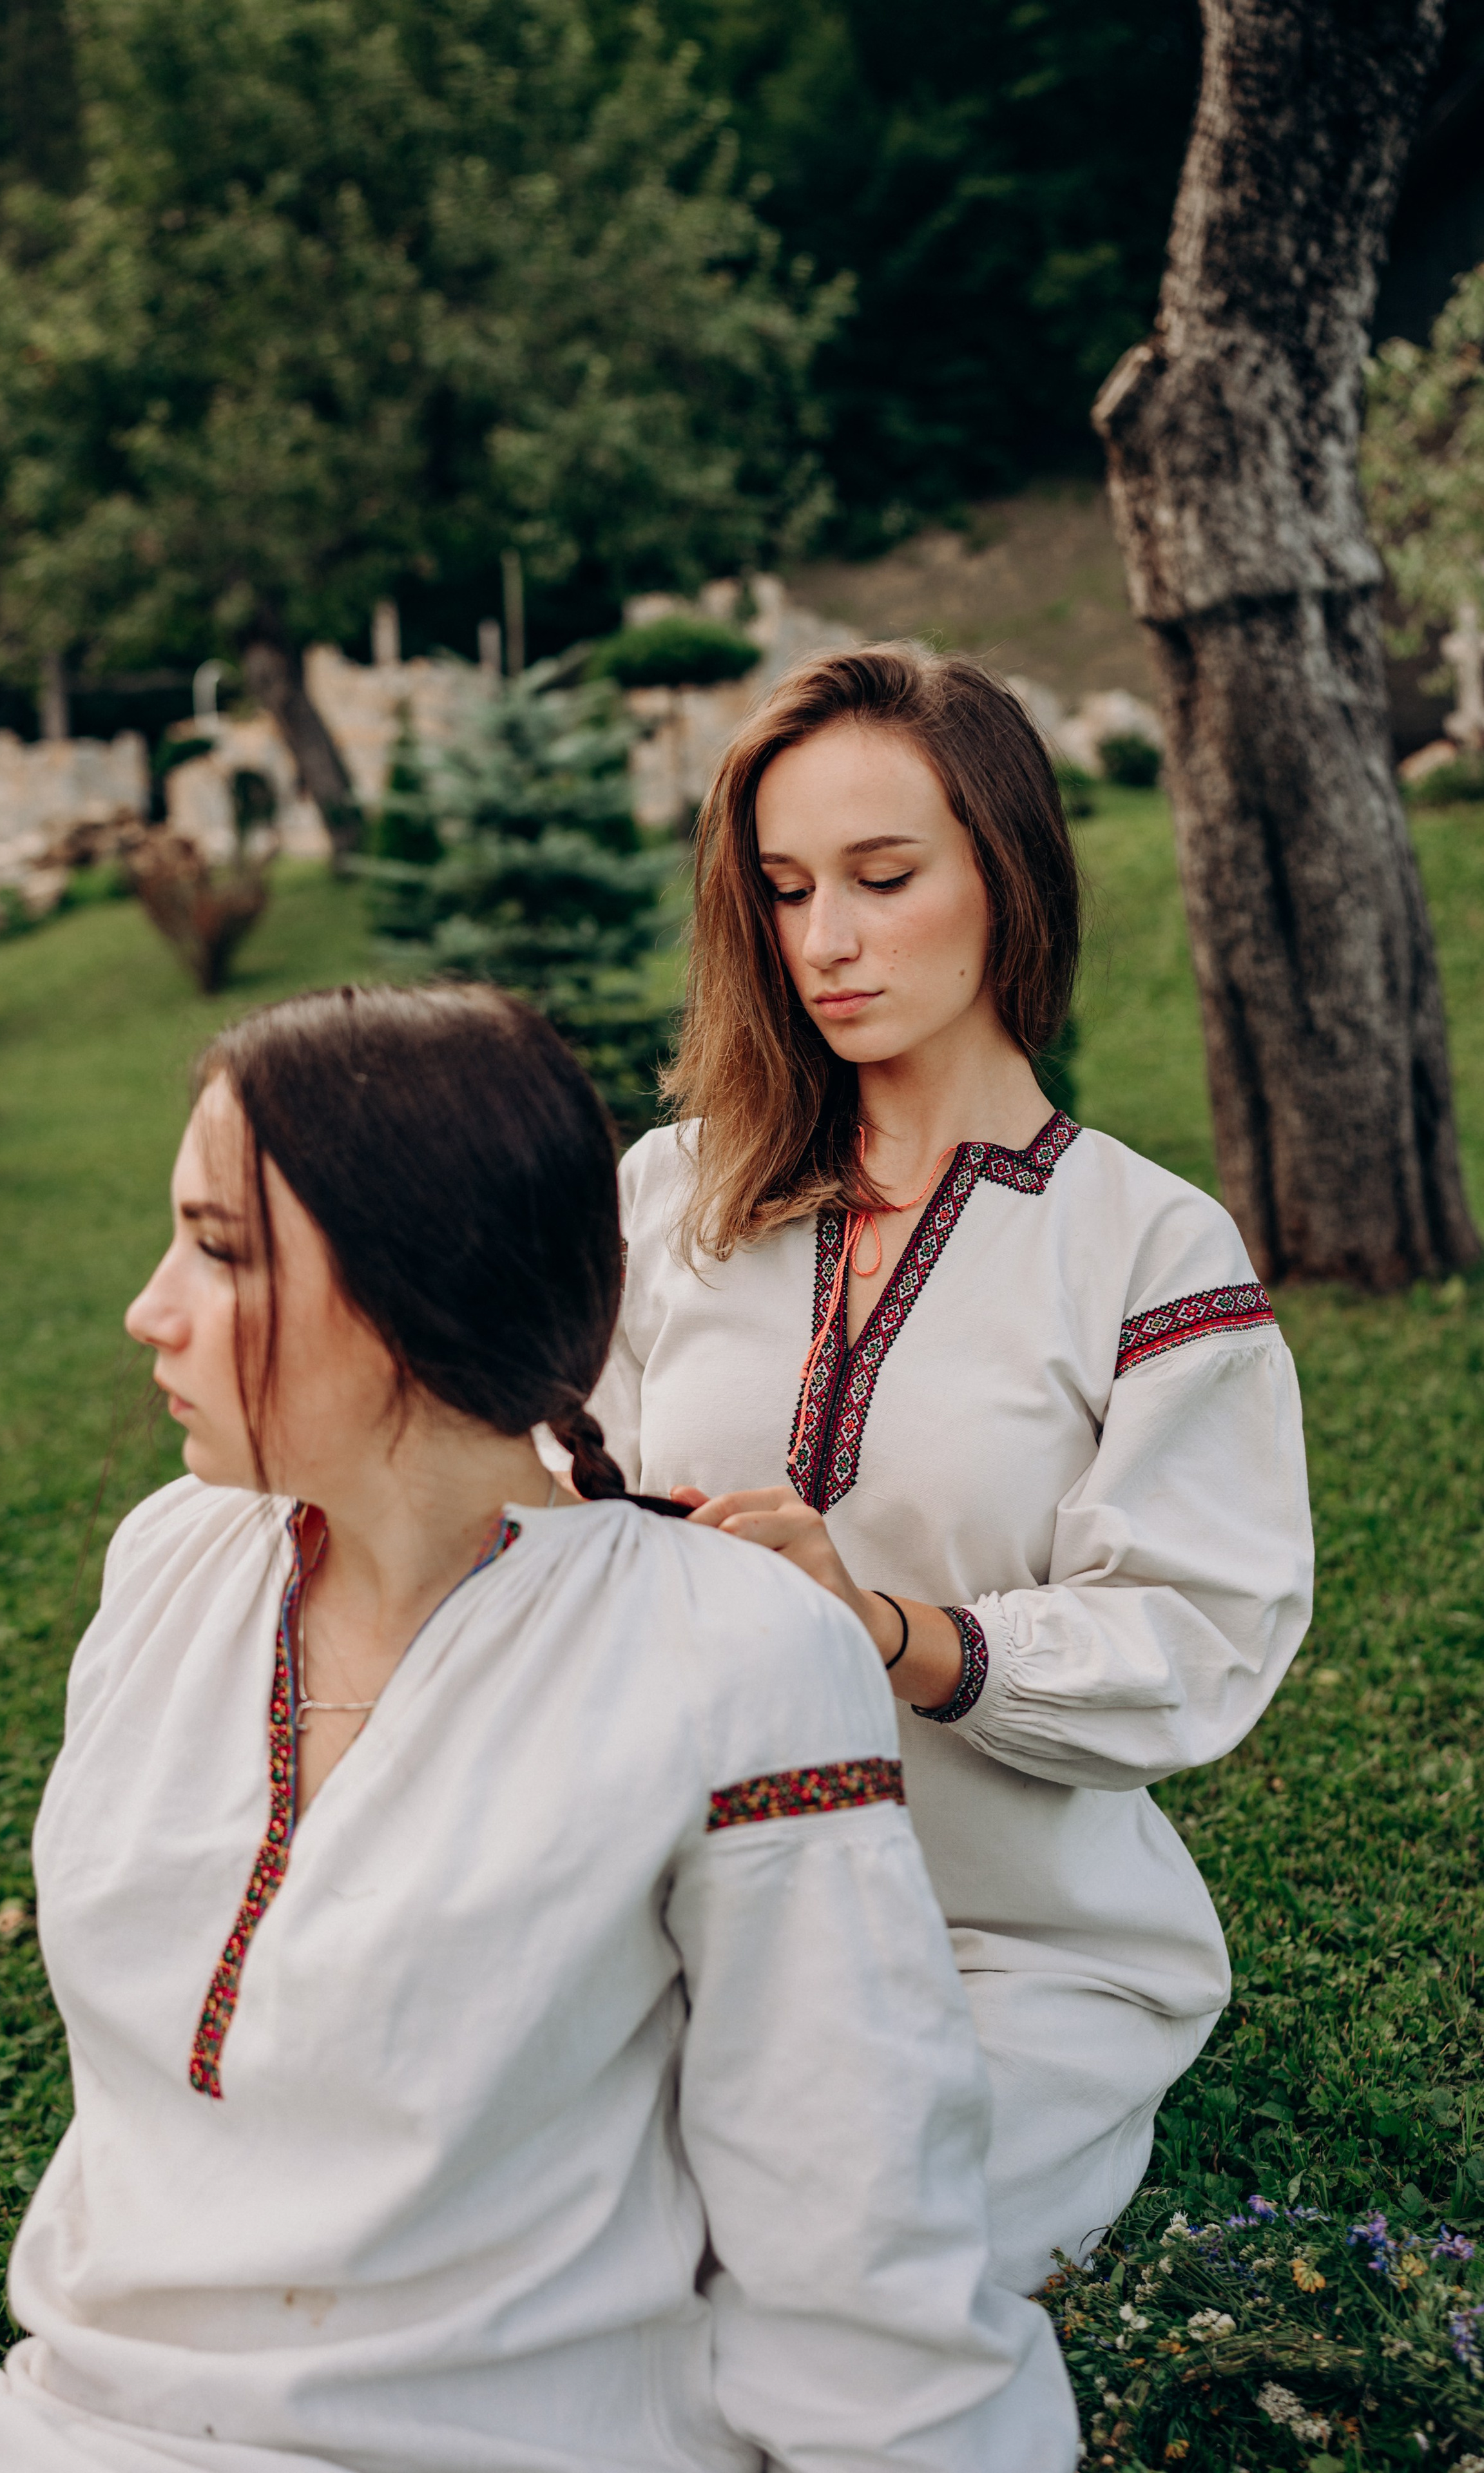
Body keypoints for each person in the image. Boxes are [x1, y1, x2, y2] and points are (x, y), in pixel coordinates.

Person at [0, 983, 1077, 2473]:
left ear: (411, 1292)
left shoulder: (728, 1653)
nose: (148, 1306)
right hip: (59, 2424)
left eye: (222, 1250)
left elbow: (849, 2211)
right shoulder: (171, 1561)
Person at [590, 647, 1315, 2297]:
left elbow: (1189, 1646)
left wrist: (892, 1629)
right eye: (782, 890)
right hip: (680, 1916)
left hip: (1013, 1949)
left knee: (804, 2270)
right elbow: (552, 1511)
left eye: (882, 876)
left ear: (1006, 870)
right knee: (526, 2244)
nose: (824, 940)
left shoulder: (1144, 1246)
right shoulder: (670, 1196)